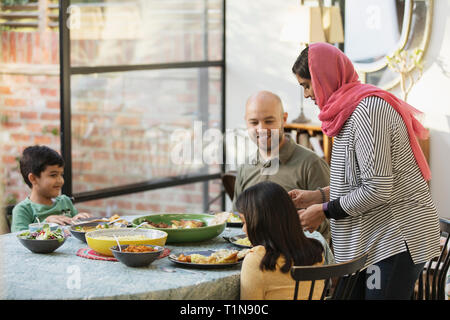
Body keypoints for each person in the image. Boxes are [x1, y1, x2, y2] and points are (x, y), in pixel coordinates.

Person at [289, 43, 441, 300]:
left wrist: (324, 211)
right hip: (375, 238)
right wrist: (317, 196)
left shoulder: (367, 112)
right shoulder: (349, 110)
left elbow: (378, 188)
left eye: (307, 84)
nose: (305, 95)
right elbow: (359, 181)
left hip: (395, 237)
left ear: (324, 77)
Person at [232, 90, 331, 243]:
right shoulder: (246, 167)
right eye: (253, 122)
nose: (261, 128)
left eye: (269, 121)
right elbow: (236, 219)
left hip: (301, 261)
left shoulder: (311, 164)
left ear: (283, 119)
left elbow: (331, 222)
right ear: (246, 122)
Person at [236, 181, 334, 300]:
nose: (243, 229)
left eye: (245, 222)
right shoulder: (316, 251)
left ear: (260, 224)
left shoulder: (256, 259)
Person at [11, 145, 91, 232]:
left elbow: (75, 230)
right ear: (33, 178)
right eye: (53, 175)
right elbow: (18, 240)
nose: (61, 181)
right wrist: (45, 225)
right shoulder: (23, 210)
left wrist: (79, 220)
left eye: (61, 175)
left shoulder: (65, 201)